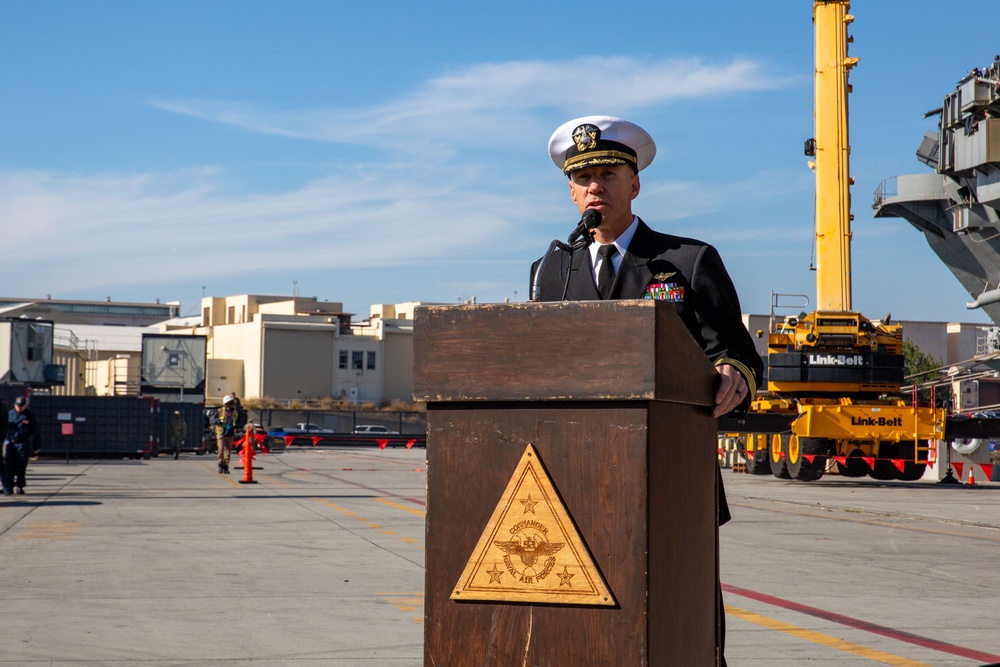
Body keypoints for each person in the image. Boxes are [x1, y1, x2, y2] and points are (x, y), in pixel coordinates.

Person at [531, 116, 764, 667]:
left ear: (634, 184)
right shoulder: (549, 269)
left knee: (679, 612)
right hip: (574, 470)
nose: (596, 187)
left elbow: (734, 350)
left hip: (670, 470)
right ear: (570, 190)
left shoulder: (686, 260)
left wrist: (731, 374)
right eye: (584, 177)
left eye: (608, 174)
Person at [4, 396, 41, 496]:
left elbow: (35, 432)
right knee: (9, 466)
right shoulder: (9, 414)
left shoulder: (29, 416)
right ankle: (9, 486)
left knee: (21, 466)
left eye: (21, 406)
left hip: (23, 444)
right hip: (11, 444)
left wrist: (36, 447)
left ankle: (19, 486)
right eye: (17, 406)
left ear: (25, 405)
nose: (19, 408)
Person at [210, 395, 239, 474]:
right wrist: (217, 421)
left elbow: (238, 421)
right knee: (221, 450)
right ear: (225, 404)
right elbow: (212, 419)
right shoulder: (220, 411)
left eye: (231, 403)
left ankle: (226, 466)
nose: (230, 404)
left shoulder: (235, 412)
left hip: (230, 433)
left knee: (228, 452)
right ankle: (220, 465)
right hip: (221, 433)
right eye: (229, 403)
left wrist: (236, 425)